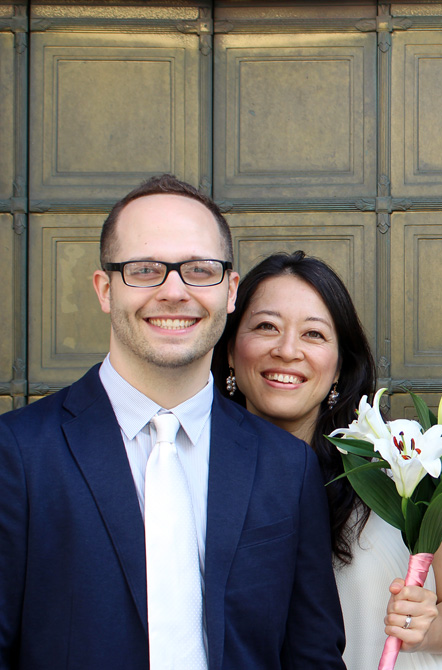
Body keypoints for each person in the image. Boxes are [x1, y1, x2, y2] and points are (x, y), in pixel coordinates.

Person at [0, 176, 347, 669]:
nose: (174, 291)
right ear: (105, 289)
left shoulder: (286, 466)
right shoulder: (18, 453)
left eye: (199, 270)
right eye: (145, 270)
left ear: (230, 291)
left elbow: (312, 656)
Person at [213, 251, 442, 670]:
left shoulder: (405, 463)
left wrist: (425, 628)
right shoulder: (195, 471)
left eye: (314, 334)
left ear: (340, 365)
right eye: (266, 326)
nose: (287, 350)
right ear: (230, 350)